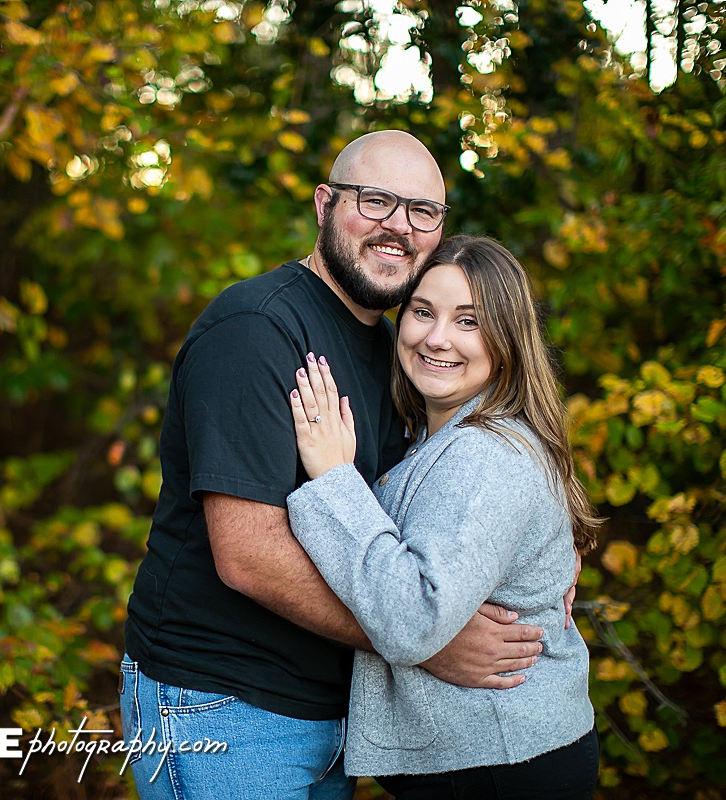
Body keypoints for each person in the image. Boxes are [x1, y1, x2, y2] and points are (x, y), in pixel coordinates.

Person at [121, 132, 560, 800]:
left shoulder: (401, 349)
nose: (398, 226)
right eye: (375, 200)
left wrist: (548, 553)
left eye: (422, 211)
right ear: (325, 204)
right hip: (224, 706)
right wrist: (427, 641)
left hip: (334, 715)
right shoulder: (256, 329)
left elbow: (446, 493)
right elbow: (248, 555)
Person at [285, 235, 600, 799]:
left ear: (508, 339)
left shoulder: (484, 453)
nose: (437, 338)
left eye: (468, 321)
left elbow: (415, 620)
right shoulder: (444, 438)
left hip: (500, 765)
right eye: (423, 312)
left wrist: (334, 478)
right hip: (489, 756)